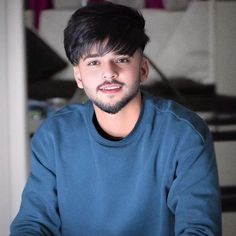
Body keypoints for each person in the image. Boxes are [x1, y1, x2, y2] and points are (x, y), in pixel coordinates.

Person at [10, 1, 222, 235]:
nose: (108, 72)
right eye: (93, 62)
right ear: (78, 76)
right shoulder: (53, 135)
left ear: (143, 68)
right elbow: (33, 223)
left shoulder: (184, 134)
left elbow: (199, 230)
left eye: (121, 59)